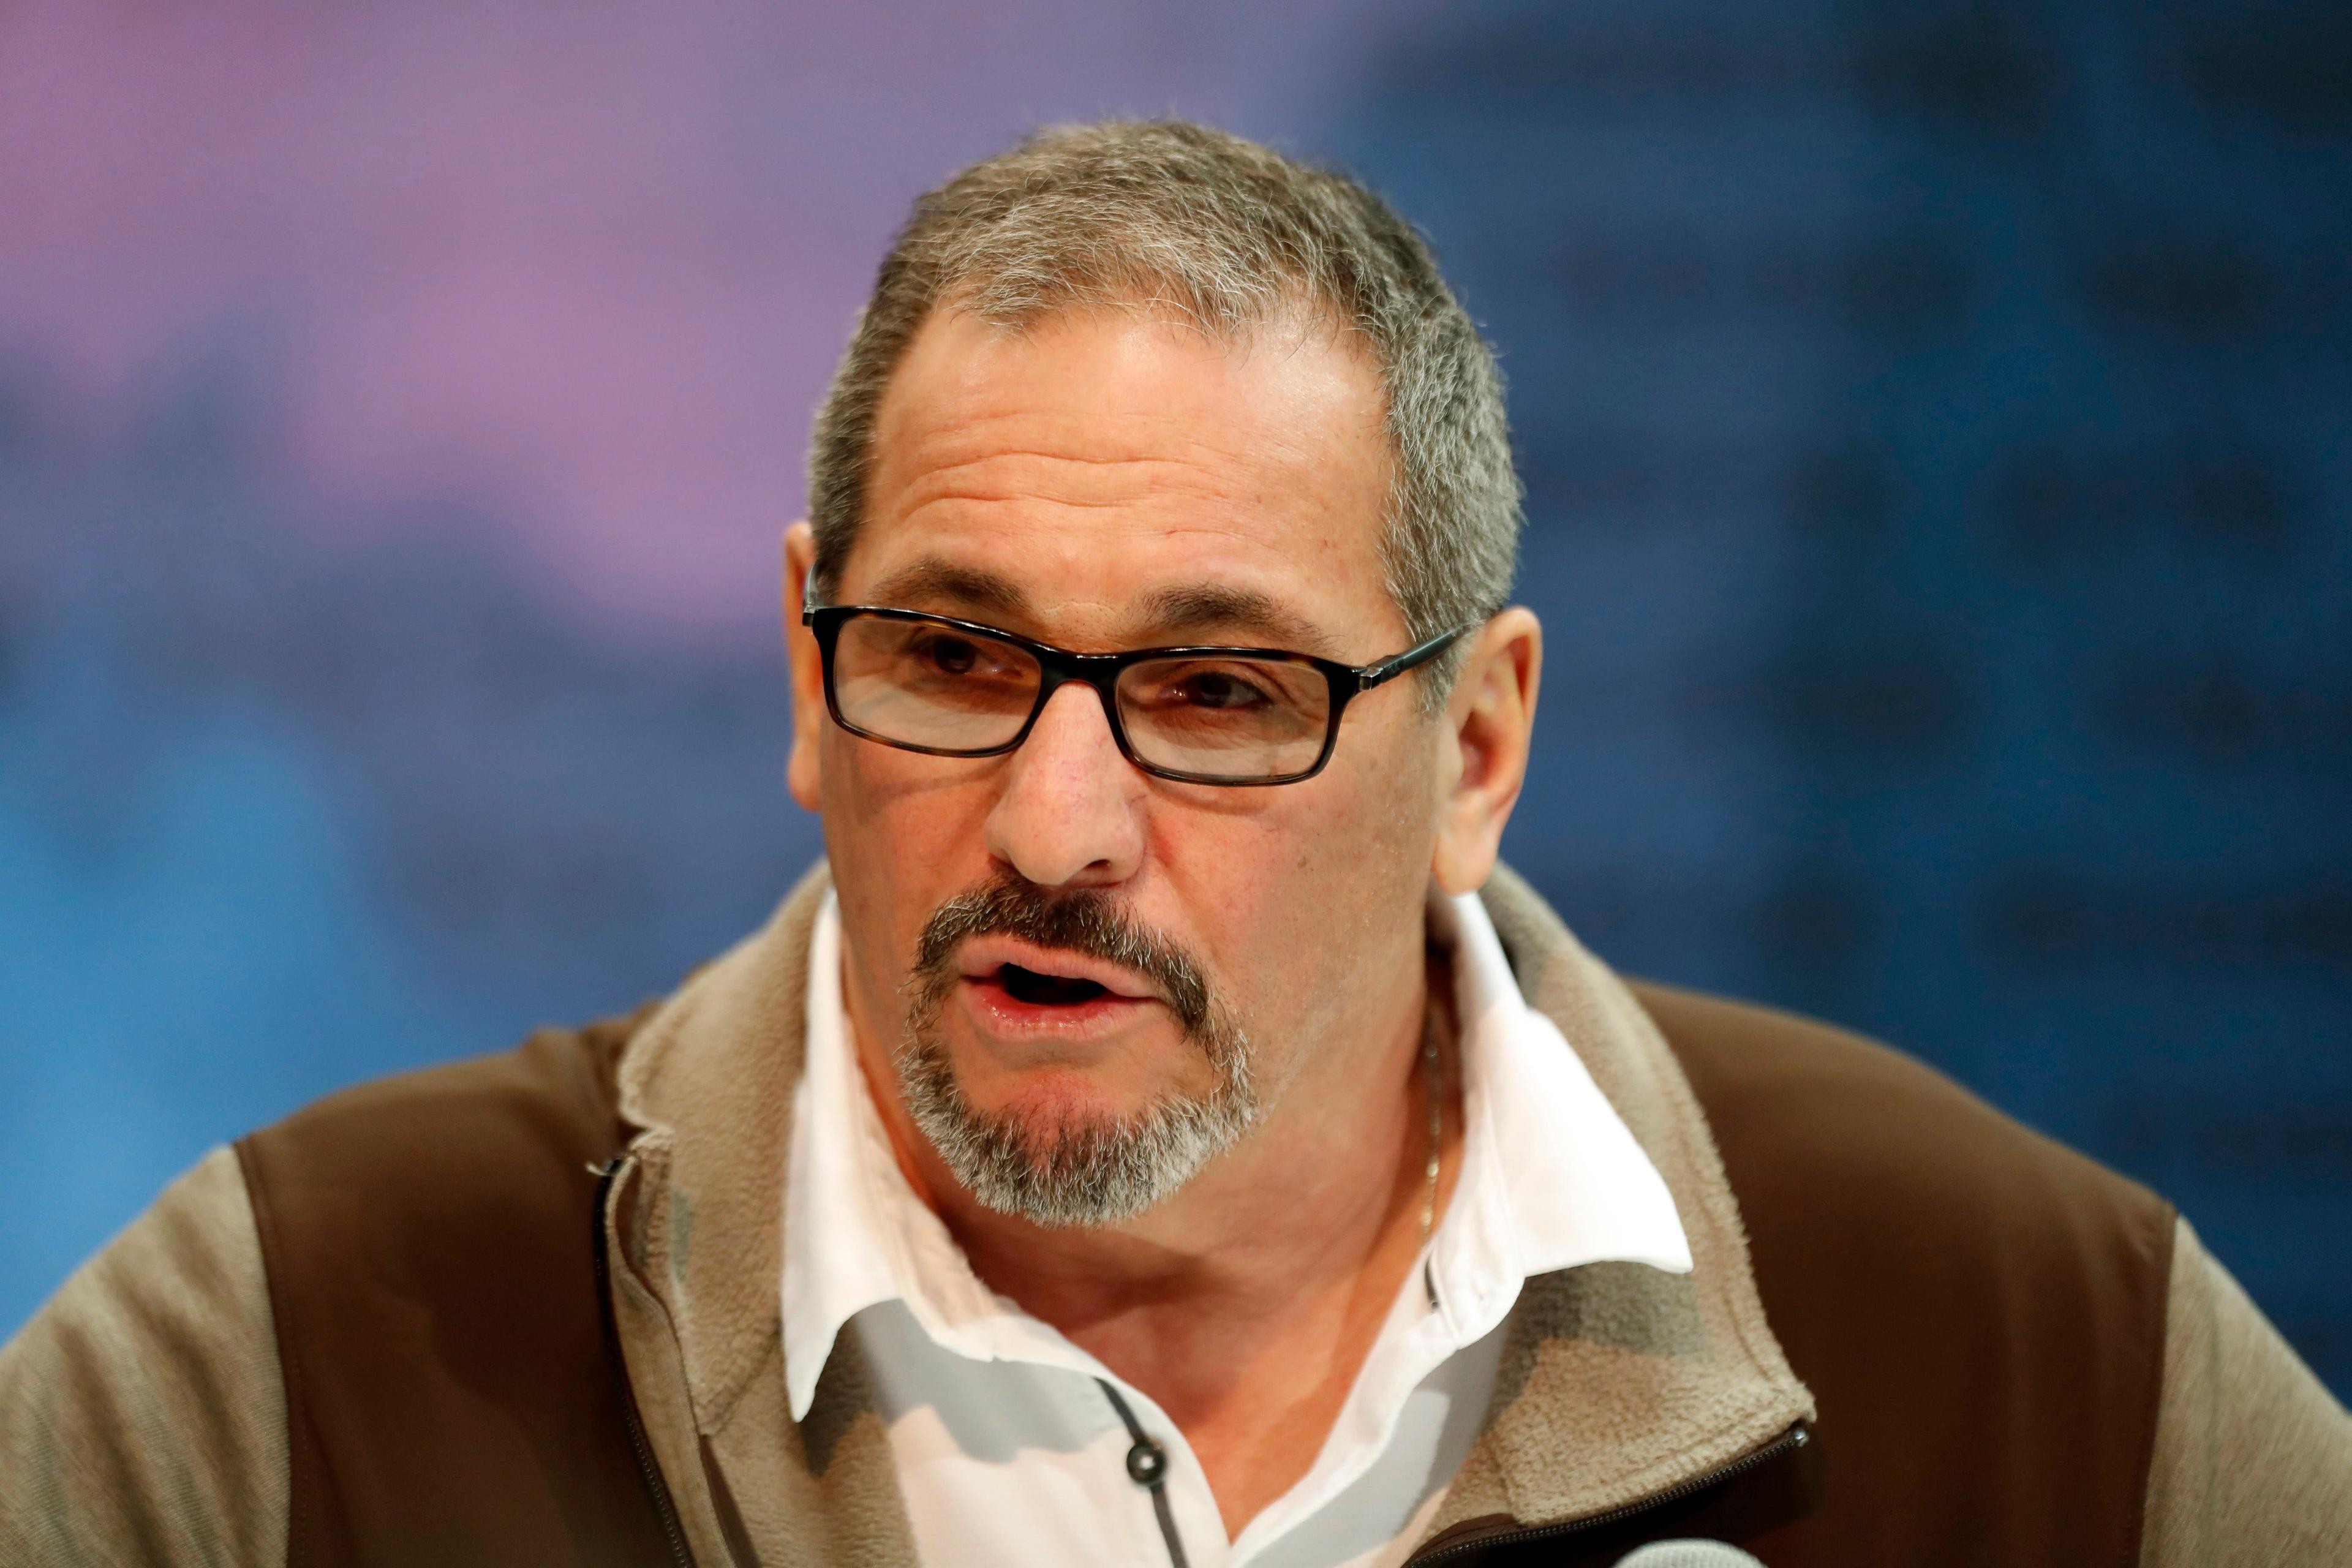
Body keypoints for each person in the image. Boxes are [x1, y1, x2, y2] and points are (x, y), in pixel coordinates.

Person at [4, 119, 2346, 1568]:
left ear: (1479, 749)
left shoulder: (2034, 1354)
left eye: (1219, 696)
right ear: (812, 673)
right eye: (949, 650)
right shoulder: (282, 1366)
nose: (1053, 817)